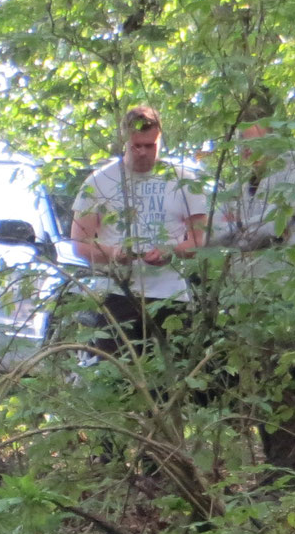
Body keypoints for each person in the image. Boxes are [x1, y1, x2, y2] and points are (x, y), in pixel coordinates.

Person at [215, 116, 295, 474]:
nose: (248, 152)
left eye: (255, 144)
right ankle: (274, 466)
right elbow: (220, 228)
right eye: (244, 145)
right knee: (257, 383)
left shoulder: (292, 176)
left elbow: (275, 227)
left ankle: (285, 468)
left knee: (281, 381)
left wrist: (248, 233)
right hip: (243, 297)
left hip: (281, 297)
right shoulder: (238, 185)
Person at [71, 106, 207, 356]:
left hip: (171, 296)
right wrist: (114, 254)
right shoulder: (99, 182)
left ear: (159, 139)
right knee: (119, 379)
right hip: (117, 293)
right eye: (136, 145)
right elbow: (80, 243)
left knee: (172, 377)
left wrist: (171, 251)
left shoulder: (184, 181)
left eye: (150, 145)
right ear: (124, 140)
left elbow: (200, 241)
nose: (143, 152)